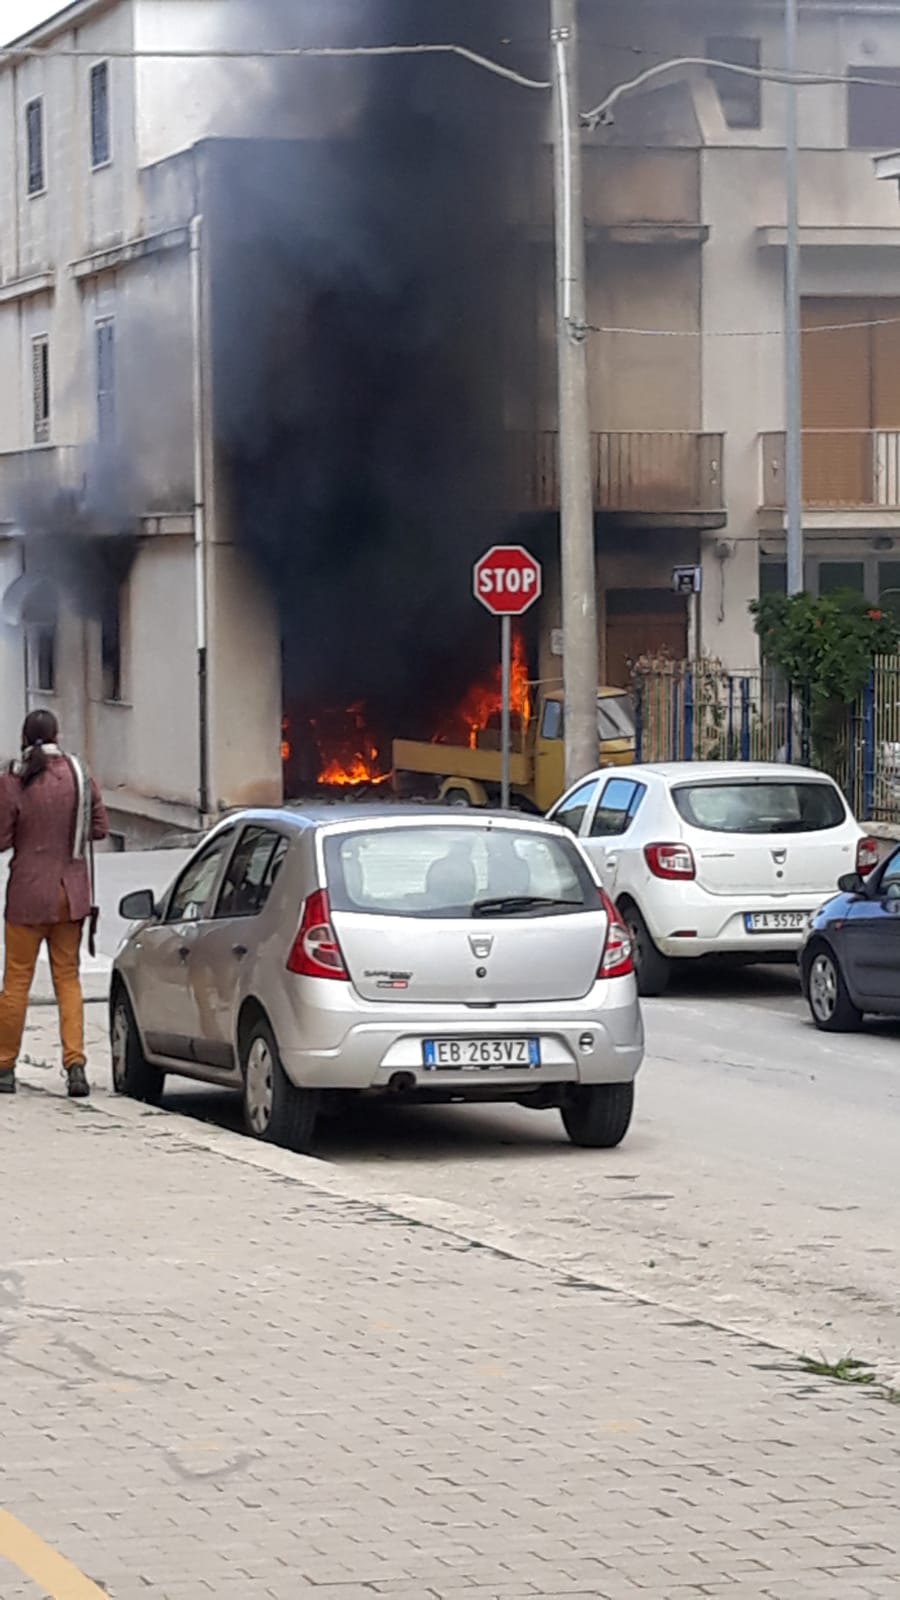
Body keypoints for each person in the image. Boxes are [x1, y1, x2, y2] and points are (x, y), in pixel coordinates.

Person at [0, 710, 108, 1098]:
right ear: (57, 735)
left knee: (15, 982)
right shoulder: (80, 773)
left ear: (25, 736)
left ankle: (4, 1067)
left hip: (27, 896)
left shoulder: (14, 779)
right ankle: (75, 1065)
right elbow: (99, 828)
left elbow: (1, 838)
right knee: (68, 979)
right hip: (71, 896)